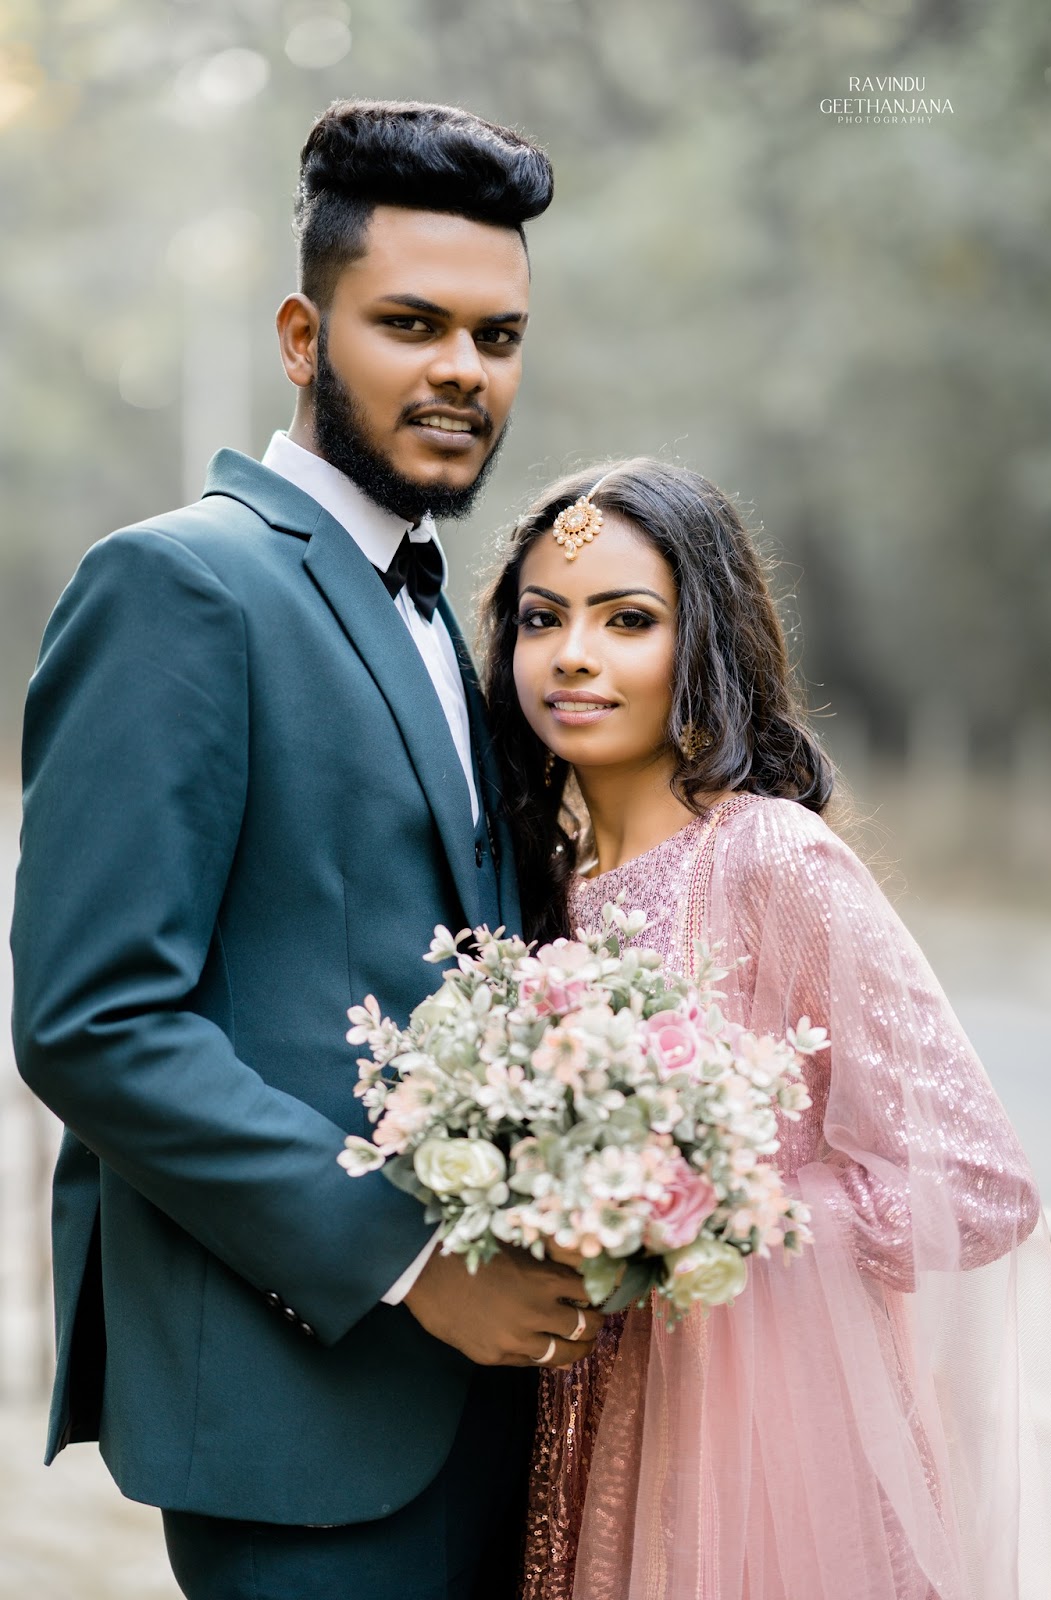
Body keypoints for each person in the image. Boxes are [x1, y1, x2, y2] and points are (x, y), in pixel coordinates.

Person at [10, 100, 605, 1600]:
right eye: (411, 324)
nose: (462, 369)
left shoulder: (450, 616)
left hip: (492, 1411)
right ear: (300, 334)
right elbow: (92, 1019)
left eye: (497, 336)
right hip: (303, 1415)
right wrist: (414, 1261)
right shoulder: (178, 586)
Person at [479, 457, 1051, 1600]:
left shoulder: (768, 859)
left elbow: (977, 1184)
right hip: (572, 1414)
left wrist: (706, 1220)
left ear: (703, 640)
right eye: (542, 619)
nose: (573, 655)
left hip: (762, 1463)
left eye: (626, 619)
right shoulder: (534, 882)